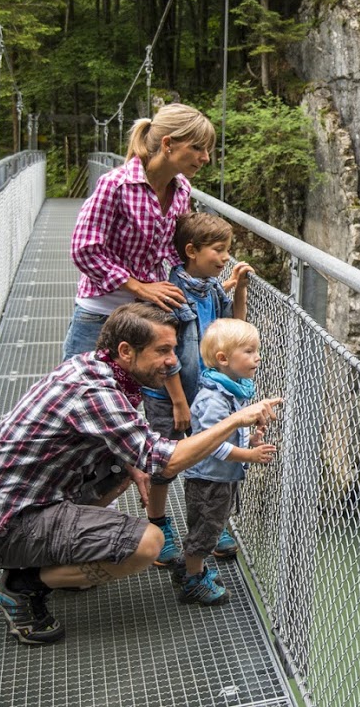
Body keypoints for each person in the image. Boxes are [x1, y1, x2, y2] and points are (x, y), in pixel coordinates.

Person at [0, 303, 281, 645]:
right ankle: (19, 587)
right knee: (147, 544)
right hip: (8, 528)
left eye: (173, 349)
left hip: (23, 502)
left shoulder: (96, 369)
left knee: (129, 469)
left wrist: (133, 467)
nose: (173, 360)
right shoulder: (96, 393)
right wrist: (235, 420)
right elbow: (165, 461)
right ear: (126, 351)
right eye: (162, 351)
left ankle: (54, 563)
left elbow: (129, 447)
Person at [64, 102, 214, 567]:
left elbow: (176, 253)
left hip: (153, 322)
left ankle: (171, 525)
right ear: (167, 144)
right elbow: (83, 249)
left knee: (168, 421)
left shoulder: (182, 189)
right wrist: (138, 285)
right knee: (79, 421)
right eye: (198, 148)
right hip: (102, 316)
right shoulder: (115, 185)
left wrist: (209, 280)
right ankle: (61, 524)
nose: (205, 157)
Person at [144, 212, 254, 558]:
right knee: (166, 462)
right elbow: (168, 355)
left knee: (203, 457)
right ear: (191, 250)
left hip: (202, 394)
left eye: (228, 251)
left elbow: (231, 331)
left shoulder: (208, 289)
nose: (225, 258)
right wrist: (178, 402)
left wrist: (239, 289)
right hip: (168, 395)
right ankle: (158, 522)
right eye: (219, 251)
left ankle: (207, 525)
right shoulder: (172, 297)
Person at [172, 319, 278, 604]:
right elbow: (212, 445)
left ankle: (188, 567)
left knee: (210, 525)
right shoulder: (214, 399)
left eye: (257, 350)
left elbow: (231, 431)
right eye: (249, 351)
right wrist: (249, 456)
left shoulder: (232, 390)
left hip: (221, 477)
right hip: (209, 478)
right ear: (223, 358)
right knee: (207, 528)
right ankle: (194, 580)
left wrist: (251, 441)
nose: (257, 357)